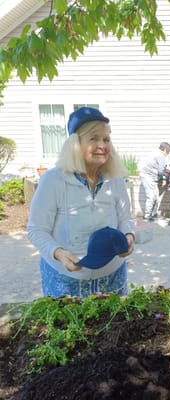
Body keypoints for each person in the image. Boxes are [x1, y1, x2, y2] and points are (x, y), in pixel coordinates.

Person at [27, 107, 135, 298]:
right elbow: (36, 229)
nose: (102, 145)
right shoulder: (53, 180)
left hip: (111, 275)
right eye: (93, 138)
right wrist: (58, 252)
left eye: (106, 139)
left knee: (114, 326)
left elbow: (126, 217)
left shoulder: (115, 179)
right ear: (75, 144)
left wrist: (129, 235)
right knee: (69, 327)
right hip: (66, 277)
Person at [140, 142, 170, 221]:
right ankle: (147, 216)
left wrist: (166, 171)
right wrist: (168, 175)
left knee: (156, 196)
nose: (168, 153)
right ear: (164, 150)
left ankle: (154, 214)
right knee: (151, 196)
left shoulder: (155, 152)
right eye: (168, 151)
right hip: (148, 177)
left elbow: (160, 168)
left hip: (150, 177)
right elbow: (161, 171)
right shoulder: (160, 156)